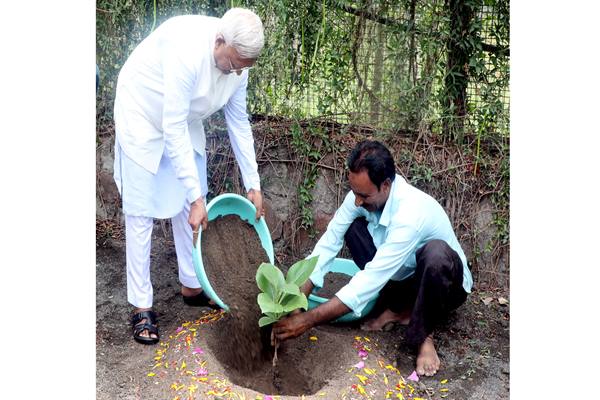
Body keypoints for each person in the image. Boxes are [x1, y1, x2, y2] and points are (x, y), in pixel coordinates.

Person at [113, 8, 265, 345]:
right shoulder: (187, 52)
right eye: (235, 62)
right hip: (143, 111)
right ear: (219, 41)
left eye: (245, 66)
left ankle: (192, 283)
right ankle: (141, 305)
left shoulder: (239, 64)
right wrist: (195, 198)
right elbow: (173, 125)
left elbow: (238, 121)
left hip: (181, 118)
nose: (238, 70)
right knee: (141, 212)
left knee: (194, 206)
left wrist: (253, 183)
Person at [272, 140, 473, 376]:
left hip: (446, 285)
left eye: (363, 195)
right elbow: (328, 243)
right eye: (354, 192)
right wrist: (298, 299)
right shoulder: (359, 197)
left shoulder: (410, 213)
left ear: (386, 185)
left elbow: (371, 278)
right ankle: (400, 310)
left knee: (435, 254)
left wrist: (308, 320)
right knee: (351, 227)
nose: (356, 200)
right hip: (402, 275)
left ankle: (424, 335)